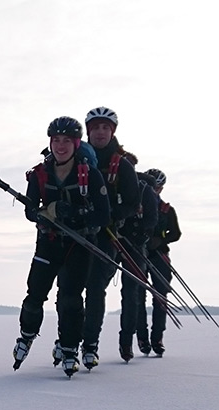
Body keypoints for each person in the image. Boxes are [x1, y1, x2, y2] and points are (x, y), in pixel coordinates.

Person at [12, 116, 111, 377]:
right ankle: (26, 334)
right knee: (35, 295)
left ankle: (69, 348)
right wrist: (43, 214)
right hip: (48, 243)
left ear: (76, 143)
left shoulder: (90, 175)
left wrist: (74, 215)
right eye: (56, 140)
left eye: (67, 140)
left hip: (79, 245)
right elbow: (30, 211)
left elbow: (103, 215)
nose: (61, 146)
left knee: (70, 299)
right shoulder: (38, 175)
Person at [70, 106, 140, 369]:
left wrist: (110, 215)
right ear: (88, 131)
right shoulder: (74, 158)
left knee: (95, 289)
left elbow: (133, 203)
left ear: (112, 132)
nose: (100, 132)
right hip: (77, 233)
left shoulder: (121, 164)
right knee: (70, 288)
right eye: (96, 128)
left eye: (105, 128)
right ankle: (68, 340)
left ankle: (90, 344)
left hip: (107, 237)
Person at [115, 164, 159, 362]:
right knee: (96, 289)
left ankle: (128, 342)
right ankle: (126, 343)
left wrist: (142, 236)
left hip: (135, 246)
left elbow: (151, 220)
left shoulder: (144, 190)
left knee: (132, 294)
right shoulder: (115, 183)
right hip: (113, 241)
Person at [136, 168, 182, 356]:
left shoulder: (167, 210)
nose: (154, 190)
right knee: (138, 297)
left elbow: (176, 234)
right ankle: (142, 337)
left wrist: (161, 240)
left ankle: (157, 338)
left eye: (157, 187)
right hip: (139, 253)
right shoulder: (137, 207)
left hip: (159, 255)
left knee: (161, 298)